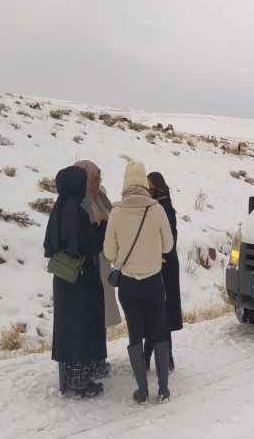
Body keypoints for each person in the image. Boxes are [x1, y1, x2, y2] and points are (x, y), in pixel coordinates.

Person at [104, 161, 174, 404]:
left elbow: (110, 253)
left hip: (129, 285)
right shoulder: (156, 210)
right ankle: (164, 389)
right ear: (144, 182)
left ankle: (142, 390)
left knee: (135, 333)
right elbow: (168, 246)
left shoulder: (116, 212)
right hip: (154, 280)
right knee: (158, 330)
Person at [43, 166, 106, 397]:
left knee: (67, 327)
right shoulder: (76, 211)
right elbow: (91, 245)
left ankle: (68, 379)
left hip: (62, 276)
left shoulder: (58, 208)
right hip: (80, 277)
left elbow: (51, 245)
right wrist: (101, 230)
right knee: (82, 325)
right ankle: (81, 382)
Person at [74, 160, 122, 378]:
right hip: (88, 265)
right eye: (95, 179)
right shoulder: (78, 202)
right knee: (89, 314)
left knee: (101, 313)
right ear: (84, 179)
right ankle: (89, 361)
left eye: (100, 178)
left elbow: (113, 217)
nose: (98, 182)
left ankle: (99, 359)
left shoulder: (99, 197)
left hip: (103, 261)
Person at [143, 171, 182, 372]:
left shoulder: (163, 210)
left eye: (148, 188)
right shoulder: (159, 208)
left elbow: (168, 243)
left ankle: (164, 357)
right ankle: (157, 356)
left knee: (161, 313)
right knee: (157, 312)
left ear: (156, 189)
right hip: (161, 265)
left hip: (164, 267)